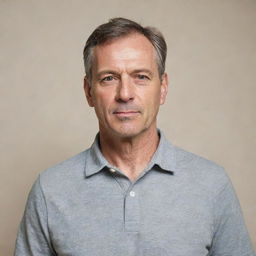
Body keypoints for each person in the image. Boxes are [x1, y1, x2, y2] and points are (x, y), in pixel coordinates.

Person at [14, 17, 254, 256]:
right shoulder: (50, 189)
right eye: (109, 78)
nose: (125, 94)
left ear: (163, 88)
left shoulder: (212, 185)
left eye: (141, 76)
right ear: (89, 92)